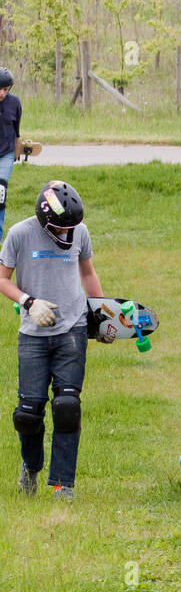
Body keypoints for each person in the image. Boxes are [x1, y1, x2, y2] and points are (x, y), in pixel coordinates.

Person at [0, 180, 106, 499]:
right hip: (33, 335)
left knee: (67, 406)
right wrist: (29, 303)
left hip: (71, 330)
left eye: (71, 228)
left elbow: (87, 273)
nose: (67, 234)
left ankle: (63, 484)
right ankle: (30, 468)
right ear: (44, 220)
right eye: (60, 229)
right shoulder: (20, 234)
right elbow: (2, 279)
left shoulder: (80, 232)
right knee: (28, 413)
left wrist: (102, 313)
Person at [0, 66, 22, 246]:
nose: (1, 92)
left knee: (0, 192)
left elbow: (16, 130)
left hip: (6, 153)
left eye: (5, 89)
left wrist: (17, 151)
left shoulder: (15, 103)